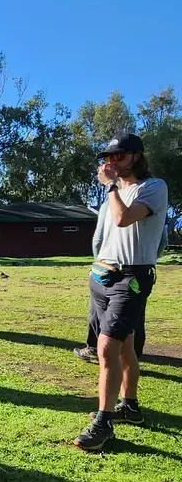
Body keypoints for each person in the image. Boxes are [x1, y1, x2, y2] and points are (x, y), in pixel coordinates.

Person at [73, 133, 168, 452]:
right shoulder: (112, 195)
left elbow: (124, 218)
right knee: (125, 346)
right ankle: (130, 405)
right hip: (103, 274)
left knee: (106, 347)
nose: (112, 162)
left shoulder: (153, 187)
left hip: (132, 278)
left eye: (120, 156)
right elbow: (104, 233)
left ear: (137, 156)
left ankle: (103, 422)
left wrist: (111, 187)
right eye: (108, 157)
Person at [74, 199, 168, 363]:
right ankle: (134, 352)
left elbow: (98, 238)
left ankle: (94, 348)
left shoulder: (108, 205)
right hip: (140, 271)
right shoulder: (152, 203)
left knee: (97, 312)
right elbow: (163, 240)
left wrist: (98, 263)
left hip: (108, 269)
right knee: (135, 312)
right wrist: (149, 260)